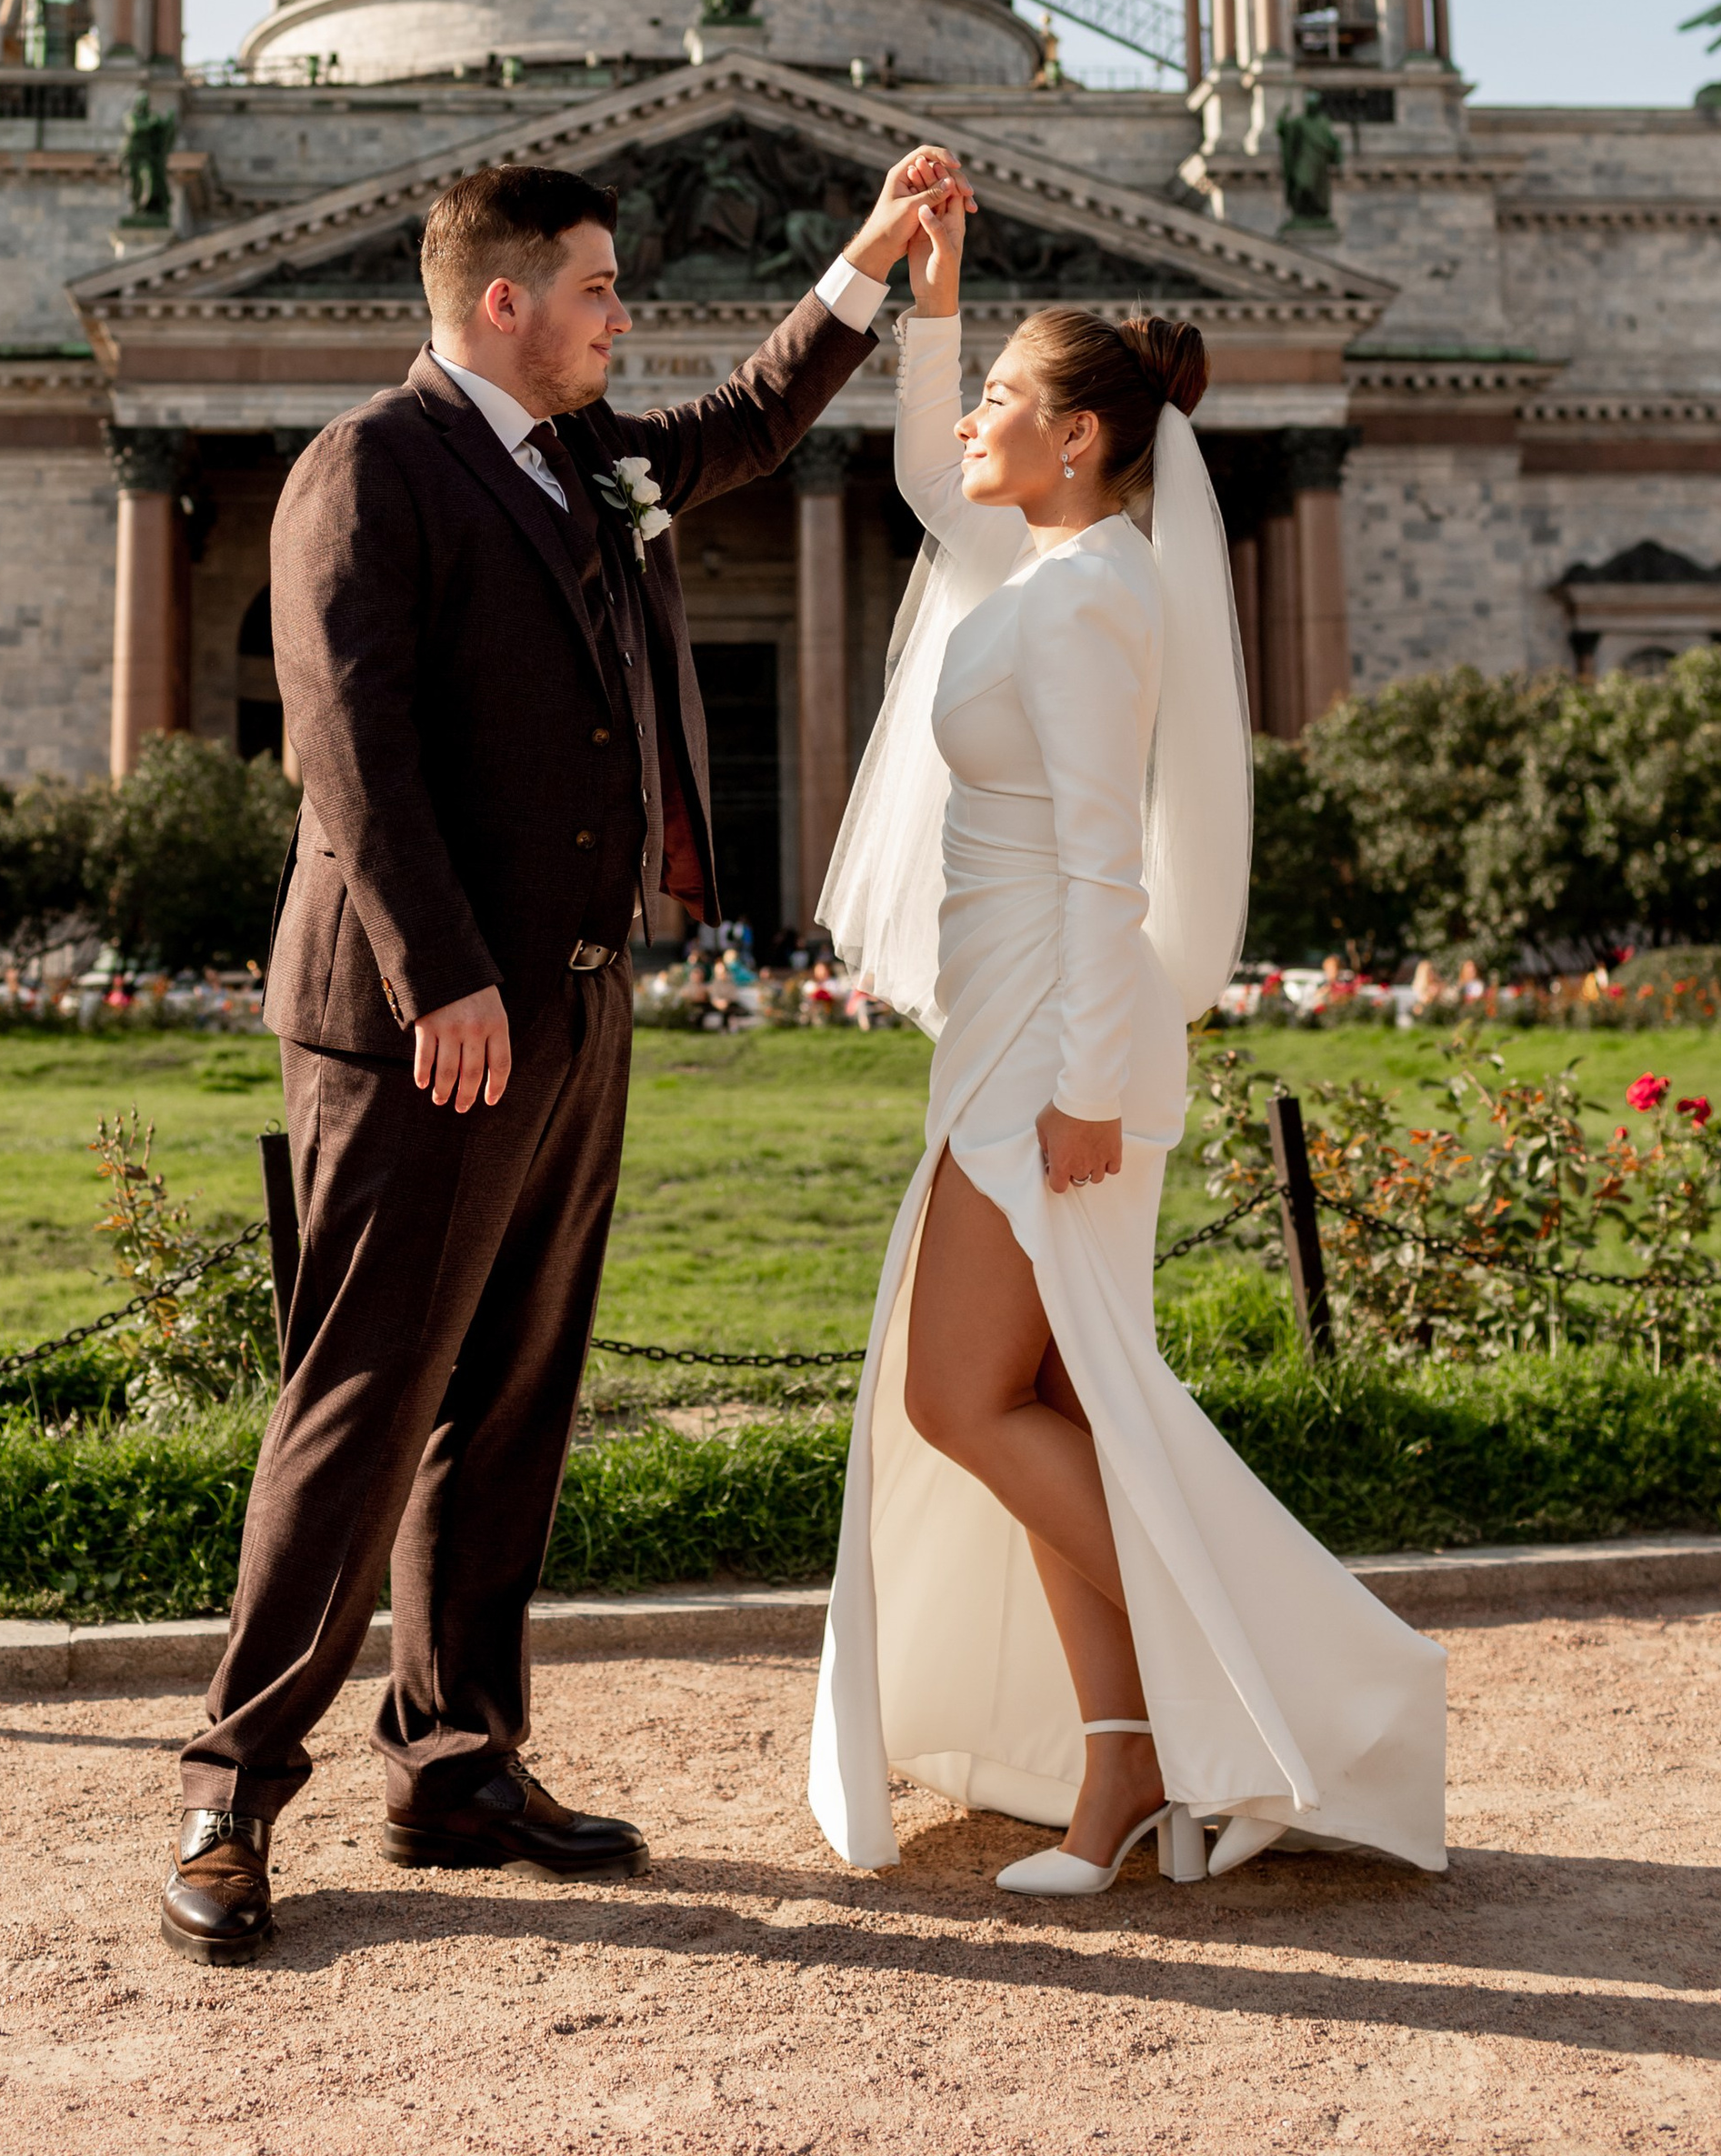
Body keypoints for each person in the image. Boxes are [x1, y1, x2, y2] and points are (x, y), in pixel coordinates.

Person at [161, 143, 972, 1964]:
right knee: (363, 1397)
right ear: (501, 300)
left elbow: (762, 414)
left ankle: (454, 1754)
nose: (627, 313)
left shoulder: (589, 460)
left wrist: (863, 253)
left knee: (511, 1398)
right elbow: (345, 740)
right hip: (420, 1023)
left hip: (576, 1006)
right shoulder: (370, 464)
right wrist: (442, 974)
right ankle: (229, 1783)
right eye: (600, 285)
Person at [808, 186, 1446, 1896]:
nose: (972, 419)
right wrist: (924, 296)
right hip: (1010, 1023)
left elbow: (1108, 860)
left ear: (1078, 440)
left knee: (960, 1397)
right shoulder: (1045, 567)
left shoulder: (1090, 604)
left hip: (1050, 1047)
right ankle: (1126, 1775)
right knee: (1037, 1398)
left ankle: (1245, 1687)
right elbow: (926, 483)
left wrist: (1087, 1089)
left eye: (1004, 392)